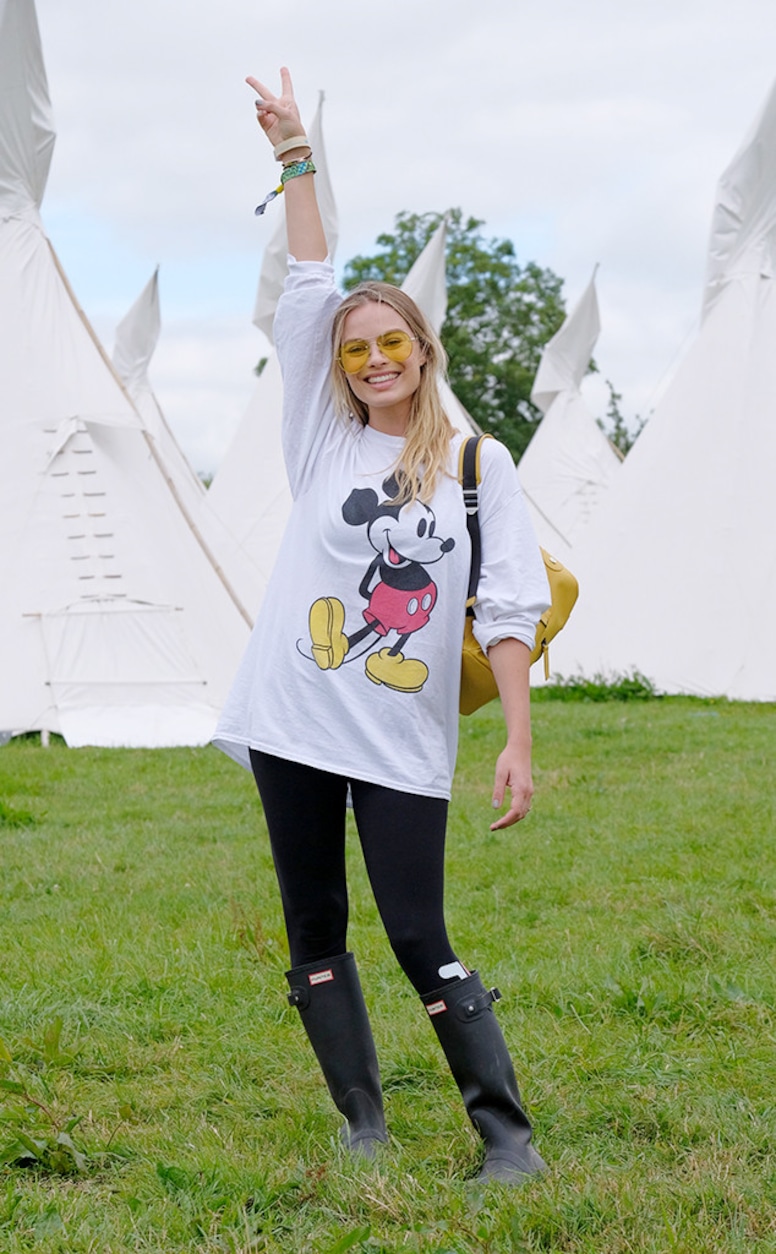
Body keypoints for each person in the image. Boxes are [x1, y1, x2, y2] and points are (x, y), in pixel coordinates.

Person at [213, 68, 551, 1183]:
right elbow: (308, 283)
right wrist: (294, 156)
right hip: (292, 718)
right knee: (313, 926)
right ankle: (361, 1123)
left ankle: (504, 1134)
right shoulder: (318, 440)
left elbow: (507, 607)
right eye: (355, 349)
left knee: (416, 931)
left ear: (422, 348)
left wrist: (513, 738)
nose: (372, 359)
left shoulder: (473, 464)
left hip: (401, 740)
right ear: (340, 366)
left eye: (389, 343)